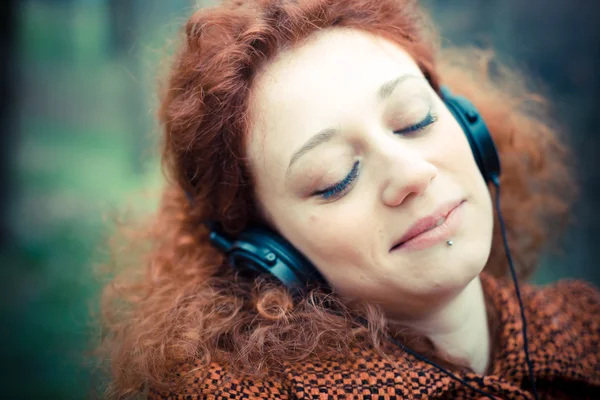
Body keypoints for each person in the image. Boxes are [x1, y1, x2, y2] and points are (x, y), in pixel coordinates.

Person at [97, 0, 600, 398]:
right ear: (268, 253)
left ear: (469, 125)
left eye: (414, 119)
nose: (411, 174)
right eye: (336, 178)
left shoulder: (586, 324)